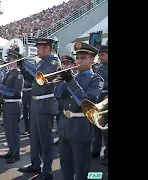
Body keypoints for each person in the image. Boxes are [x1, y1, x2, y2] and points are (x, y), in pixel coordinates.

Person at [55, 42, 103, 180]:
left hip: (81, 126)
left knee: (82, 166)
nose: (79, 61)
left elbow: (86, 102)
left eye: (83, 57)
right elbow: (57, 97)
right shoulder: (72, 77)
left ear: (92, 59)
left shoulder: (96, 79)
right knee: (65, 163)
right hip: (65, 125)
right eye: (77, 58)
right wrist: (60, 82)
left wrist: (70, 81)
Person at [18, 38, 59, 180]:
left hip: (45, 104)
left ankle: (47, 171)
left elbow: (41, 77)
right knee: (34, 138)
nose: (37, 51)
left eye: (39, 48)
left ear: (47, 48)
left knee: (45, 140)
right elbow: (31, 78)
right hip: (35, 104)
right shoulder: (41, 61)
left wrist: (25, 63)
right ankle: (35, 163)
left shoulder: (53, 61)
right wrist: (22, 67)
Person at [0, 49, 24, 164]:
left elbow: (15, 92)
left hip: (14, 104)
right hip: (7, 105)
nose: (8, 62)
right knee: (7, 130)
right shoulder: (9, 73)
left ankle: (16, 154)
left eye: (10, 59)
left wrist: (0, 87)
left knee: (13, 131)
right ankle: (11, 151)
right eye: (8, 60)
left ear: (16, 60)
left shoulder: (19, 74)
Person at [92, 45, 108, 165]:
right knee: (96, 126)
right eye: (100, 55)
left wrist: (101, 84)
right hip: (98, 99)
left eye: (103, 55)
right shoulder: (99, 67)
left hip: (106, 99)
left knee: (106, 130)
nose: (100, 57)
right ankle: (96, 148)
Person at [54, 55, 75, 145]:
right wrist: (58, 81)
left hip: (69, 102)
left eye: (67, 64)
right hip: (60, 101)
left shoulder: (73, 77)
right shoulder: (60, 76)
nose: (65, 66)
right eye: (63, 64)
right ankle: (60, 136)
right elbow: (57, 92)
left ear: (72, 65)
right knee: (59, 118)